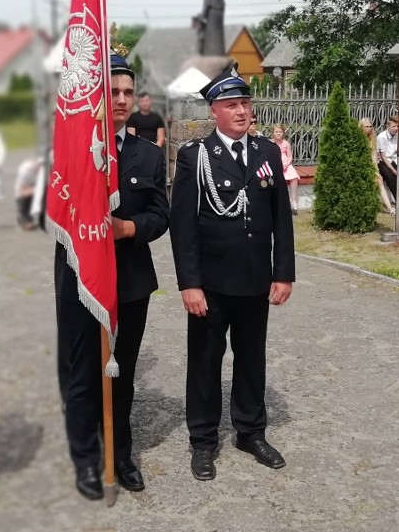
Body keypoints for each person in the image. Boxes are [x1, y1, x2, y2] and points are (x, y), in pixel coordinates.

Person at [169, 62, 294, 481]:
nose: (241, 111)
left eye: (245, 103)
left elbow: (281, 219)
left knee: (251, 356)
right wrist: (189, 284)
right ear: (214, 112)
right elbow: (183, 227)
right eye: (231, 104)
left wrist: (283, 273)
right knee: (205, 361)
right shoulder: (194, 157)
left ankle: (250, 431)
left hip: (255, 279)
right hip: (211, 283)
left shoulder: (267, 152)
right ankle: (203, 440)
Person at [54, 54, 169, 499]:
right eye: (111, 91)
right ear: (97, 95)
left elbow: (160, 215)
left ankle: (120, 454)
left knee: (122, 373)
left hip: (129, 283)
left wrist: (128, 228)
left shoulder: (148, 153)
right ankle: (86, 458)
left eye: (126, 92)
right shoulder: (71, 152)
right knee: (82, 373)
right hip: (80, 280)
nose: (119, 100)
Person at [359, 118, 397, 215]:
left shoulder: (371, 139)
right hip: (359, 166)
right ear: (361, 127)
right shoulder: (357, 139)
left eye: (371, 126)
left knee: (379, 180)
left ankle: (389, 208)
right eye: (366, 127)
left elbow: (374, 156)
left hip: (369, 166)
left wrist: (375, 170)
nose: (369, 129)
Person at [271, 123, 300, 214]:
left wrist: (287, 164)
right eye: (276, 132)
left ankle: (293, 200)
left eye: (280, 132)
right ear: (273, 133)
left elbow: (290, 156)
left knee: (294, 176)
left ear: (283, 133)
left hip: (285, 165)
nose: (278, 133)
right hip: (274, 164)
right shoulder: (270, 143)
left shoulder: (285, 143)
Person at [14, 155, 42, 230]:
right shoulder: (25, 170)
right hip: (24, 192)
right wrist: (36, 190)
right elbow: (22, 190)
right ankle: (24, 220)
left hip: (36, 189)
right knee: (24, 200)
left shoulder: (45, 171)